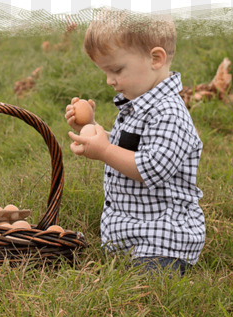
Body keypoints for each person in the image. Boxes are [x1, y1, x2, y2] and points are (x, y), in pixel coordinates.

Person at [65, 10, 205, 277]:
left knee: (142, 288)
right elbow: (125, 148)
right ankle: (121, 246)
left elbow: (149, 168)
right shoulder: (139, 105)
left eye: (116, 69)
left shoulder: (169, 114)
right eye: (105, 71)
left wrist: (104, 150)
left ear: (155, 58)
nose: (109, 80)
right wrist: (91, 128)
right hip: (135, 234)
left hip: (163, 241)